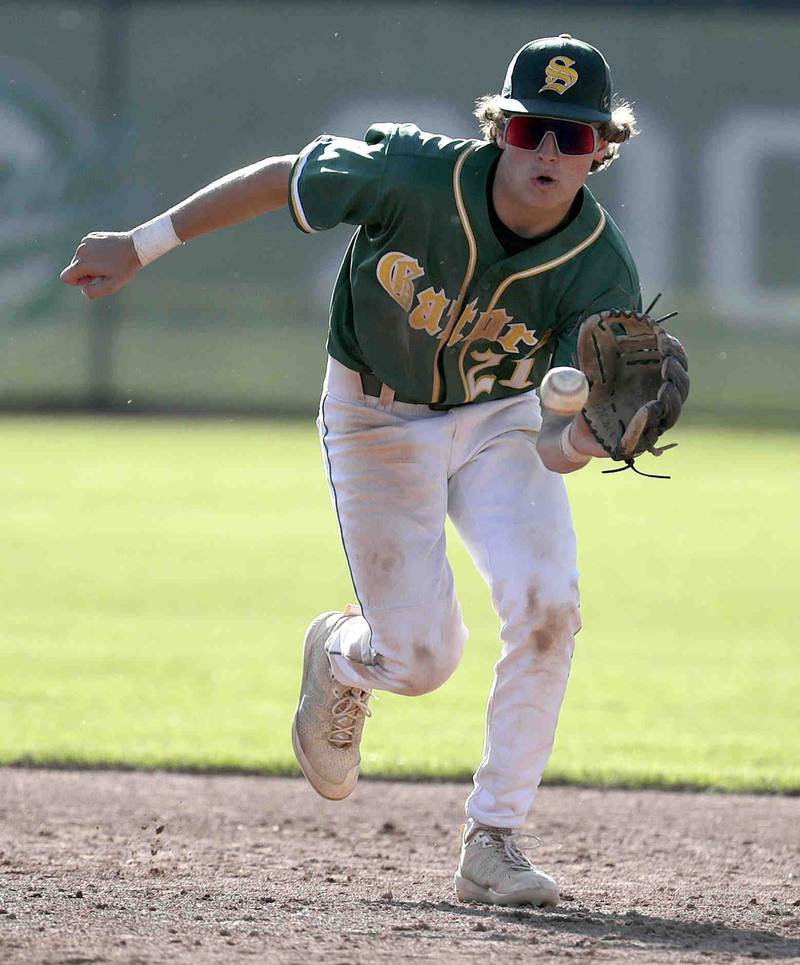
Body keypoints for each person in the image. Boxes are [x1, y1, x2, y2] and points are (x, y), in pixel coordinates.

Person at [61, 35, 667, 908]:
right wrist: (141, 244)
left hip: (499, 420)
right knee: (423, 660)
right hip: (375, 413)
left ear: (601, 149)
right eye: (532, 126)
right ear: (499, 127)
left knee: (549, 605)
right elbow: (283, 178)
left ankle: (493, 840)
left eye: (572, 136)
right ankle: (343, 657)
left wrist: (596, 440)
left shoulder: (599, 268)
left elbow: (551, 445)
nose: (546, 151)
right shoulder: (416, 177)